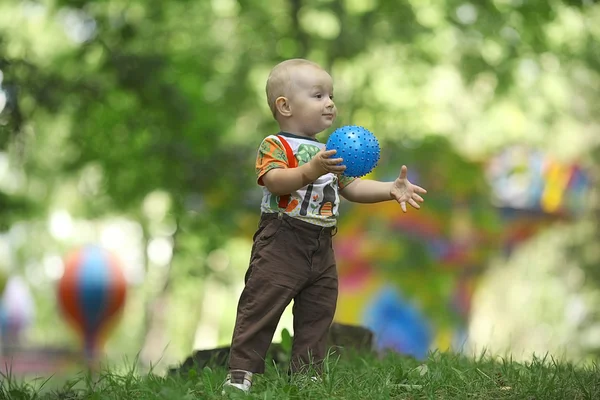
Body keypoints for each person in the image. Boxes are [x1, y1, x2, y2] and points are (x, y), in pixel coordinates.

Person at [223, 58, 427, 393]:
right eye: (318, 96)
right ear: (285, 106)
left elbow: (351, 187)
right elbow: (275, 182)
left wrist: (389, 189)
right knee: (261, 303)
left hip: (320, 242)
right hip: (282, 237)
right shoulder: (276, 144)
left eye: (331, 95)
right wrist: (311, 169)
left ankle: (307, 374)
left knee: (318, 310)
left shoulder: (333, 149)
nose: (330, 103)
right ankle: (241, 372)